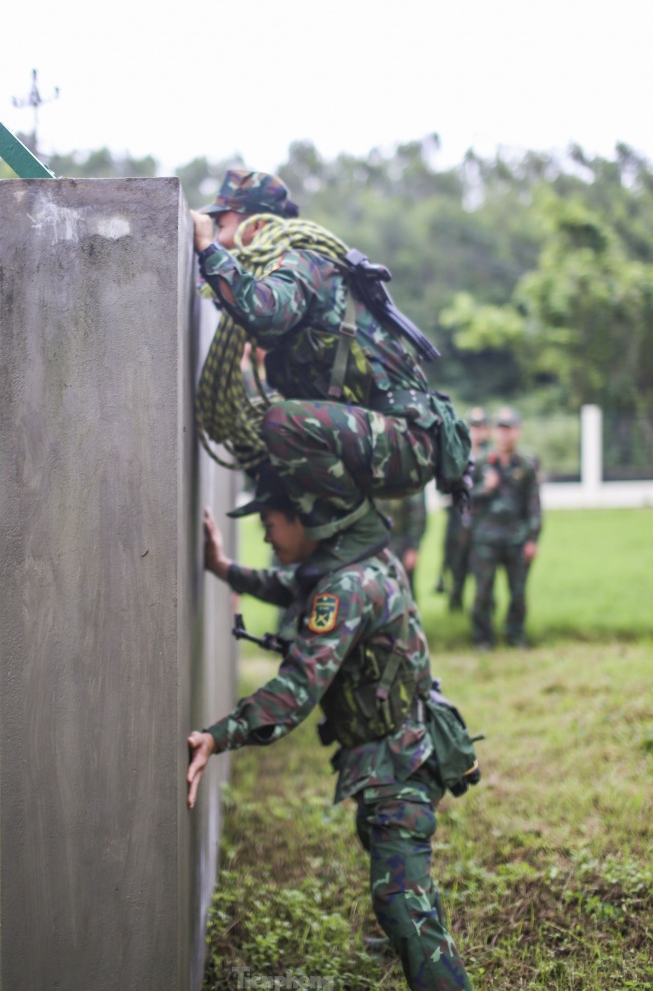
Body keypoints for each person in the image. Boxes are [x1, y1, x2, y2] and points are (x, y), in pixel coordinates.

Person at [187, 466, 475, 991]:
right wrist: (226, 569)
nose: (267, 535)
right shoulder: (359, 560)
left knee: (397, 898)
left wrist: (217, 735)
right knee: (387, 852)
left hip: (400, 760)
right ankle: (409, 936)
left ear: (305, 520)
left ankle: (426, 955)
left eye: (271, 523)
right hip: (404, 739)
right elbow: (290, 586)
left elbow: (297, 689)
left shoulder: (342, 588)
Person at [191, 169, 471, 542]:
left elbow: (264, 312)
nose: (214, 227)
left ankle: (359, 534)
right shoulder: (284, 270)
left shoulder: (302, 262)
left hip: (406, 440)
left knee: (282, 421)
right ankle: (314, 546)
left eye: (220, 220)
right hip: (378, 438)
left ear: (255, 225)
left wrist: (208, 248)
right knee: (254, 435)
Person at [469, 406, 542, 649]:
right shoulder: (480, 463)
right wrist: (484, 488)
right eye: (500, 429)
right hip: (486, 539)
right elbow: (465, 499)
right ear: (494, 432)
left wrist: (532, 539)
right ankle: (483, 638)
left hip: (516, 538)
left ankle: (515, 635)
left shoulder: (526, 466)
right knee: (482, 592)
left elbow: (533, 505)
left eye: (509, 429)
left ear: (517, 433)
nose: (504, 435)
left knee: (518, 592)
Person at [437, 407, 491, 611]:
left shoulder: (491, 457)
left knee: (483, 572)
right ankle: (455, 609)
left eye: (480, 426)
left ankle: (483, 611)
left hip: (482, 523)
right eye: (473, 426)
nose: (477, 431)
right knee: (456, 567)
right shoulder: (457, 454)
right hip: (457, 521)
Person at [377, 491, 427, 601]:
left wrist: (413, 547)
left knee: (404, 588)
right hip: (377, 540)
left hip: (401, 541)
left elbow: (417, 514)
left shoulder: (405, 478)